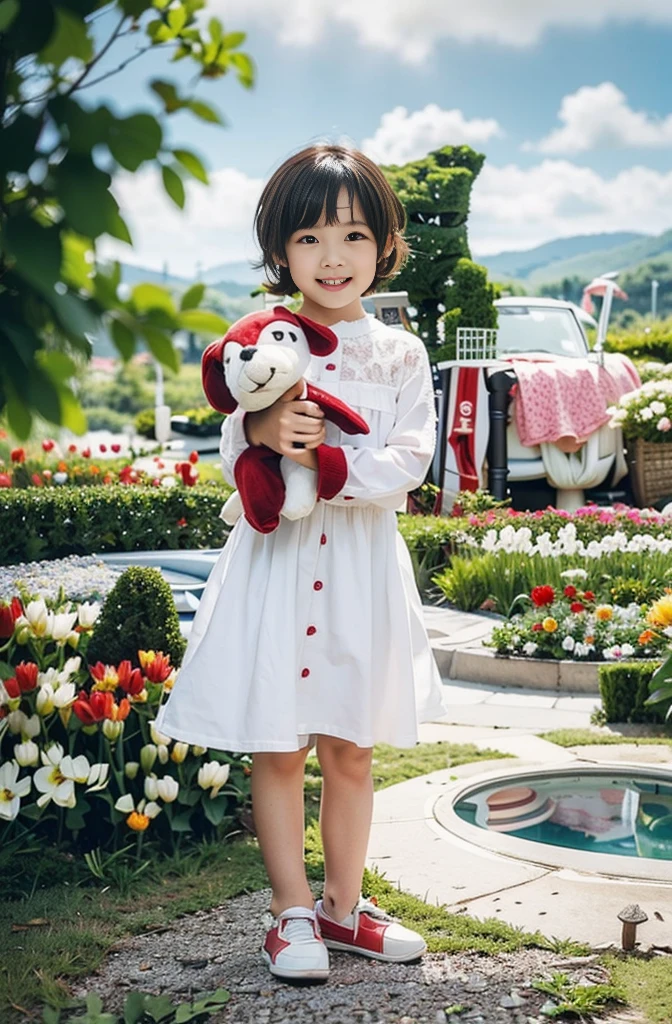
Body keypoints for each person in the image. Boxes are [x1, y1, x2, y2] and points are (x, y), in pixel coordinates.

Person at [154, 142, 446, 982]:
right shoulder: (265, 340)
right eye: (312, 239)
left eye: (353, 237)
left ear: (384, 246)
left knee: (351, 747)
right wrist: (255, 433)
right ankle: (291, 914)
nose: (333, 257)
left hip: (358, 571)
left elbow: (411, 458)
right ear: (281, 249)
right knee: (278, 748)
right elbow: (225, 434)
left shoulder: (400, 355)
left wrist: (330, 467)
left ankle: (344, 910)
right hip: (277, 567)